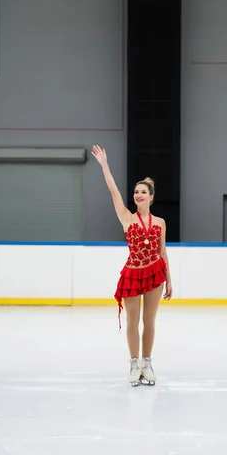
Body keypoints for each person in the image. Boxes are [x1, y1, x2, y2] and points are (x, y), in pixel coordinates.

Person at [92, 144, 173, 387]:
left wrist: (169, 280)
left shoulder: (160, 222)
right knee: (131, 321)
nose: (138, 195)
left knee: (149, 322)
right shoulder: (127, 217)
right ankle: (134, 363)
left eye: (143, 192)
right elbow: (113, 191)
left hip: (155, 274)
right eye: (136, 192)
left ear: (151, 197)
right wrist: (105, 165)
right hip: (133, 274)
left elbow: (162, 251)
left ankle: (147, 363)